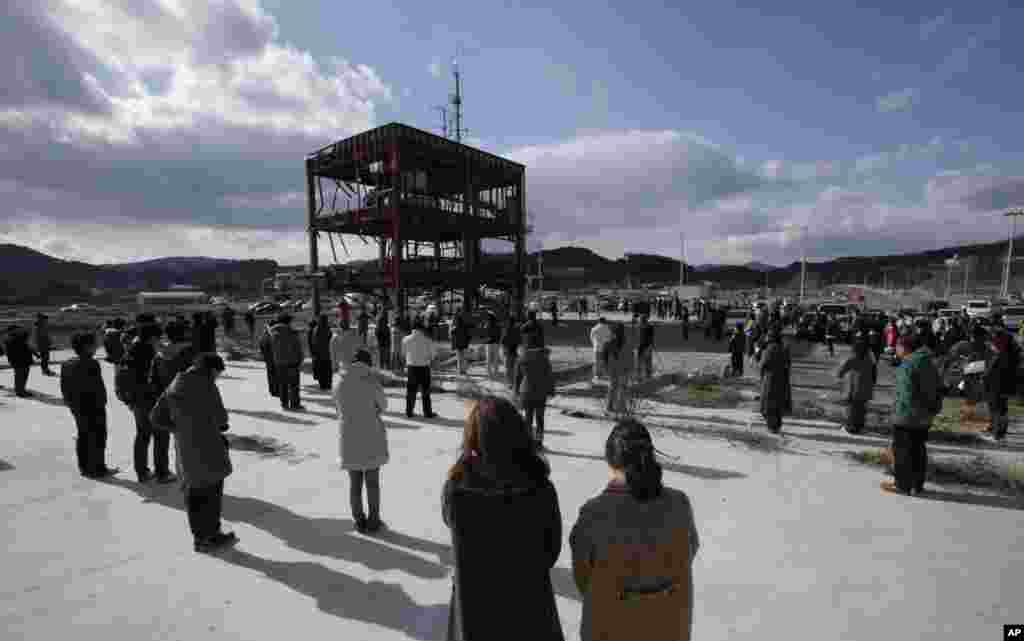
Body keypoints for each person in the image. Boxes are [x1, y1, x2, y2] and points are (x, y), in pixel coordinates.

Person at [441, 397, 564, 641]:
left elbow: (449, 520)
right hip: (530, 609)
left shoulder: (457, 490)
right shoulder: (541, 489)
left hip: (475, 612)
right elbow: (550, 552)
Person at [570, 419, 699, 641]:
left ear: (610, 460)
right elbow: (689, 551)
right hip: (670, 628)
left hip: (610, 629)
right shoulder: (680, 504)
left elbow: (583, 580)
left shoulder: (594, 514)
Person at [150, 353, 238, 553]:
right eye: (217, 374)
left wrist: (179, 429)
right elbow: (221, 418)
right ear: (212, 370)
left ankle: (200, 538)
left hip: (185, 447)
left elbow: (156, 416)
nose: (217, 378)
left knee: (194, 492)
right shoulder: (207, 386)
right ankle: (211, 535)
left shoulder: (174, 385)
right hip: (208, 445)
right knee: (212, 491)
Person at [334, 348, 389, 534]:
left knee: (355, 483)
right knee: (372, 482)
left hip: (349, 436)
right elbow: (384, 405)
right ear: (368, 363)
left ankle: (359, 520)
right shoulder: (372, 381)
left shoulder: (340, 381)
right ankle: (374, 521)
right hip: (371, 434)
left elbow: (338, 407)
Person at [883, 335, 941, 496]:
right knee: (918, 449)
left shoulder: (908, 365)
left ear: (905, 348)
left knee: (902, 450)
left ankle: (902, 485)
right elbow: (939, 388)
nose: (896, 350)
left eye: (897, 346)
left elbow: (905, 393)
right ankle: (917, 485)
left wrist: (898, 412)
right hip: (925, 415)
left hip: (907, 416)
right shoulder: (928, 363)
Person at [60, 332, 119, 479]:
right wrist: (102, 402)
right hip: (93, 407)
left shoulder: (67, 364)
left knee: (83, 435)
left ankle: (84, 467)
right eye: (94, 344)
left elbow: (64, 387)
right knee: (98, 437)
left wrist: (71, 404)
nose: (96, 346)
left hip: (77, 407)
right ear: (87, 347)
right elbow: (97, 387)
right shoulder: (91, 363)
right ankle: (98, 469)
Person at [124, 321, 176, 484]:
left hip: (136, 400)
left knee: (142, 435)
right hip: (152, 399)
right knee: (161, 435)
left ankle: (142, 472)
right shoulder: (151, 354)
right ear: (153, 337)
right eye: (158, 337)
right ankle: (162, 472)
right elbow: (159, 378)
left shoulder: (131, 350)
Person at [516, 332, 555, 448]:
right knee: (540, 418)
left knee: (528, 418)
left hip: (526, 390)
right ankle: (538, 442)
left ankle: (528, 442)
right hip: (540, 392)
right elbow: (549, 376)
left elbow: (517, 377)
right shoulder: (544, 359)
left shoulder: (522, 358)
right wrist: (551, 391)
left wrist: (516, 391)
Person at [837, 334, 876, 435]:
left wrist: (840, 375)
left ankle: (851, 427)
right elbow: (874, 373)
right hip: (866, 389)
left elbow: (842, 370)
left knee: (852, 408)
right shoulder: (870, 359)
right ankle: (859, 426)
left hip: (854, 389)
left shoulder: (853, 358)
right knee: (861, 409)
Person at [983, 331, 1016, 442]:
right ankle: (1001, 434)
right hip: (1007, 383)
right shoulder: (1011, 354)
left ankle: (997, 435)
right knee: (1002, 408)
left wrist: (985, 376)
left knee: (996, 408)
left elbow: (990, 371)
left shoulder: (999, 355)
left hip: (997, 383)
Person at [759, 327, 791, 434]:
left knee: (769, 402)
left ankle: (772, 426)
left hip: (770, 378)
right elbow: (788, 364)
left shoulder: (770, 348)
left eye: (768, 336)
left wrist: (762, 376)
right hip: (782, 378)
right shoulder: (784, 348)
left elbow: (763, 364)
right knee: (778, 402)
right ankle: (777, 425)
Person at [269, 314, 304, 411]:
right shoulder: (292, 333)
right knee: (294, 384)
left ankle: (284, 403)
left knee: (282, 384)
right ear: (288, 322)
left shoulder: (273, 333)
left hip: (279, 362)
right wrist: (300, 359)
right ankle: (295, 404)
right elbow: (297, 348)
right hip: (292, 362)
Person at [403, 319, 437, 419]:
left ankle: (409, 411)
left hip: (411, 367)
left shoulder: (406, 339)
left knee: (411, 391)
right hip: (424, 367)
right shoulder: (428, 340)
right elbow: (433, 355)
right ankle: (427, 412)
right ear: (422, 329)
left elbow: (403, 353)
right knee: (425, 391)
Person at [603, 323, 631, 416]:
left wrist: (606, 368)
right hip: (622, 368)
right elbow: (630, 356)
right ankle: (621, 407)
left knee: (613, 387)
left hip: (613, 369)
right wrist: (631, 368)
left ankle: (610, 406)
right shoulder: (626, 343)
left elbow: (604, 358)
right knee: (622, 388)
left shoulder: (608, 343)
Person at [4, 325, 35, 397]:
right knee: (22, 376)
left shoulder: (9, 338)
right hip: (21, 361)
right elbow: (27, 335)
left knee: (19, 376)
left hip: (18, 361)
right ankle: (21, 391)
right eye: (17, 329)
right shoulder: (16, 338)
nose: (19, 331)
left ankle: (19, 390)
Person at [311, 315, 333, 391]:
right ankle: (328, 384)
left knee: (321, 369)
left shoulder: (316, 329)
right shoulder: (328, 329)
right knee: (327, 369)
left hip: (319, 353)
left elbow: (313, 341)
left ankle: (323, 384)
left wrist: (314, 352)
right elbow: (331, 340)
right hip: (327, 353)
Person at [258, 321, 278, 399]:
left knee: (271, 374)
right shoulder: (270, 335)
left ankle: (273, 390)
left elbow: (261, 345)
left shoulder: (264, 335)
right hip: (272, 357)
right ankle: (275, 390)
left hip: (269, 358)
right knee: (274, 374)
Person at [589, 317, 613, 383]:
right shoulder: (607, 328)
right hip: (604, 347)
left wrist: (594, 343)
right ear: (605, 321)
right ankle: (603, 373)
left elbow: (591, 337)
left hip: (596, 347)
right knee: (603, 361)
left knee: (596, 362)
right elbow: (610, 338)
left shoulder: (594, 328)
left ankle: (596, 375)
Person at [501, 314, 522, 387]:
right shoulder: (517, 330)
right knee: (514, 368)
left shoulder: (506, 329)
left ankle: (509, 383)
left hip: (508, 351)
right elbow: (520, 341)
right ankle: (513, 382)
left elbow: (503, 341)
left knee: (508, 368)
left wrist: (503, 350)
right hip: (514, 351)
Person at [451, 312, 471, 376]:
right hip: (464, 345)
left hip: (458, 345)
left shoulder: (454, 328)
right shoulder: (465, 327)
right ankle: (464, 370)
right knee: (464, 358)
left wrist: (453, 346)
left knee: (459, 358)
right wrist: (467, 342)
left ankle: (460, 371)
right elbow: (469, 336)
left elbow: (452, 337)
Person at [636, 315, 655, 381]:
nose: (640, 322)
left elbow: (651, 337)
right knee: (641, 362)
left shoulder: (649, 327)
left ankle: (647, 375)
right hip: (641, 346)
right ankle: (640, 376)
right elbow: (639, 337)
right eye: (641, 320)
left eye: (641, 320)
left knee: (646, 361)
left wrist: (650, 346)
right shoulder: (640, 326)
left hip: (646, 346)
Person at [484, 311, 502, 379]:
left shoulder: (487, 324)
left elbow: (484, 333)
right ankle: (495, 372)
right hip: (496, 343)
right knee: (495, 358)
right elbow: (499, 334)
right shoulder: (497, 325)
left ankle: (489, 373)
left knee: (488, 358)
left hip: (489, 343)